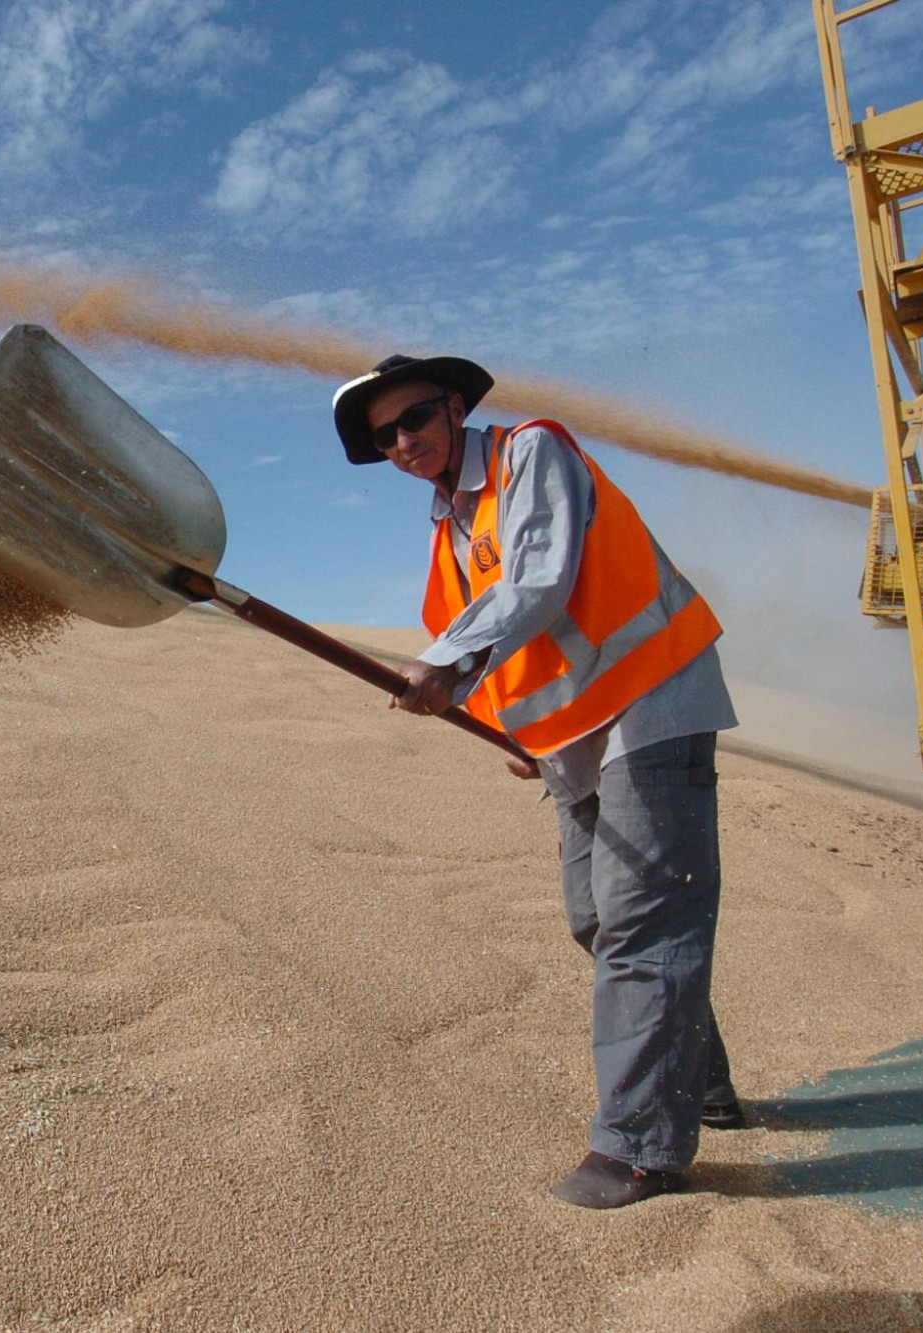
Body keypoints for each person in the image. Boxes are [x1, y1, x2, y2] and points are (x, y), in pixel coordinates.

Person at [332, 354, 744, 1209]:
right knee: (595, 918)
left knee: (642, 917)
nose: (403, 441)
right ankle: (700, 1080)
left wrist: (446, 662)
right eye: (384, 436)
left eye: (413, 419)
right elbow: (496, 657)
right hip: (573, 744)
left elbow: (540, 580)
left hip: (651, 700)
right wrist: (507, 726)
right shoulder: (447, 539)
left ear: (453, 406)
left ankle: (640, 1148)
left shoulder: (531, 452)